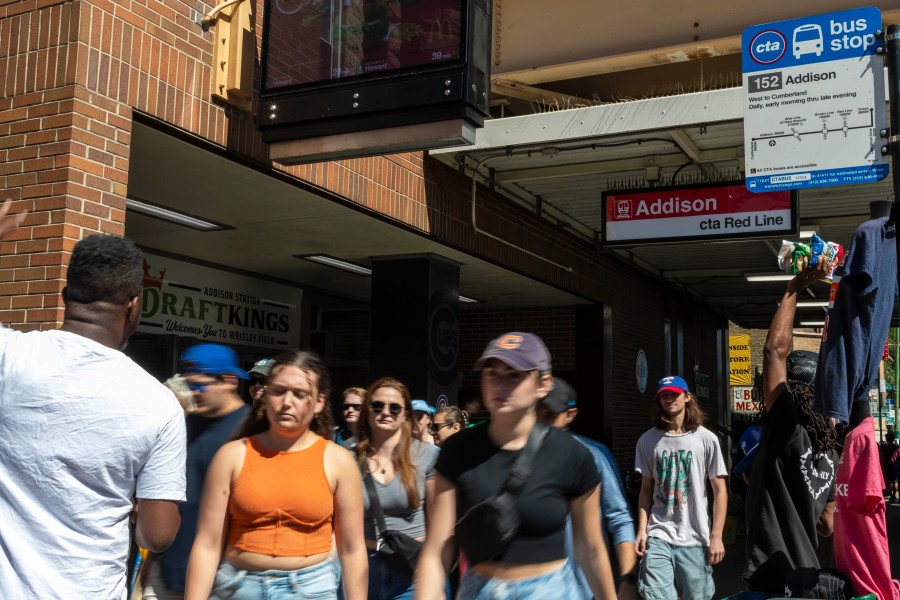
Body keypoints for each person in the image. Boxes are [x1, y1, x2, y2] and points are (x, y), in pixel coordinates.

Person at [0, 200, 187, 599]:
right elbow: (156, 535)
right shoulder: (160, 404)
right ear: (134, 307)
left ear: (65, 294)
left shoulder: (9, 358)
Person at [416, 332, 617, 600]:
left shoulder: (573, 455)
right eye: (492, 373)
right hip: (479, 590)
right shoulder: (457, 451)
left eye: (514, 374)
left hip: (551, 591)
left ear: (543, 383)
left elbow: (591, 549)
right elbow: (438, 549)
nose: (500, 384)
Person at [184, 350, 367, 600]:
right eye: (278, 391)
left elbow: (352, 549)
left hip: (311, 589)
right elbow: (207, 545)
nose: (286, 402)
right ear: (266, 395)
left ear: (319, 402)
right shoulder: (232, 455)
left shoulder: (339, 461)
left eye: (300, 394)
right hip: (237, 587)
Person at [742, 252, 840, 595]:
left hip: (772, 575)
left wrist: (792, 288)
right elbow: (828, 526)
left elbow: (774, 352)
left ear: (791, 392)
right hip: (809, 578)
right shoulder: (832, 452)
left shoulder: (787, 427)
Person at [151, 344, 253, 599]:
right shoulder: (183, 422)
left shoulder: (249, 431)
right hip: (167, 572)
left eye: (200, 386)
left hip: (220, 581)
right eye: (188, 385)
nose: (193, 393)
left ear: (229, 381)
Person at [538, 378, 638, 599]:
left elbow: (619, 518)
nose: (540, 420)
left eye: (549, 414)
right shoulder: (513, 454)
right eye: (536, 411)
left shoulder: (593, 455)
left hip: (580, 589)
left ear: (571, 414)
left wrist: (628, 579)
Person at [634, 375, 728, 600]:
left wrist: (716, 536)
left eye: (674, 394)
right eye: (664, 395)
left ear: (687, 397)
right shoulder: (647, 441)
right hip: (659, 533)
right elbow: (646, 490)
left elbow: (720, 491)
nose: (669, 399)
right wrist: (641, 529)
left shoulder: (706, 439)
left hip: (694, 537)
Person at [355, 378, 440, 599]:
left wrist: (432, 565)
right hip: (364, 566)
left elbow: (437, 518)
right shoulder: (347, 458)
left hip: (412, 568)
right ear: (368, 411)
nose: (386, 412)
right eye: (377, 406)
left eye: (394, 408)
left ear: (404, 414)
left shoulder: (426, 455)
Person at [334, 386, 365, 450]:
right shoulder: (332, 435)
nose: (350, 410)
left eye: (356, 406)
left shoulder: (375, 435)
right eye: (346, 406)